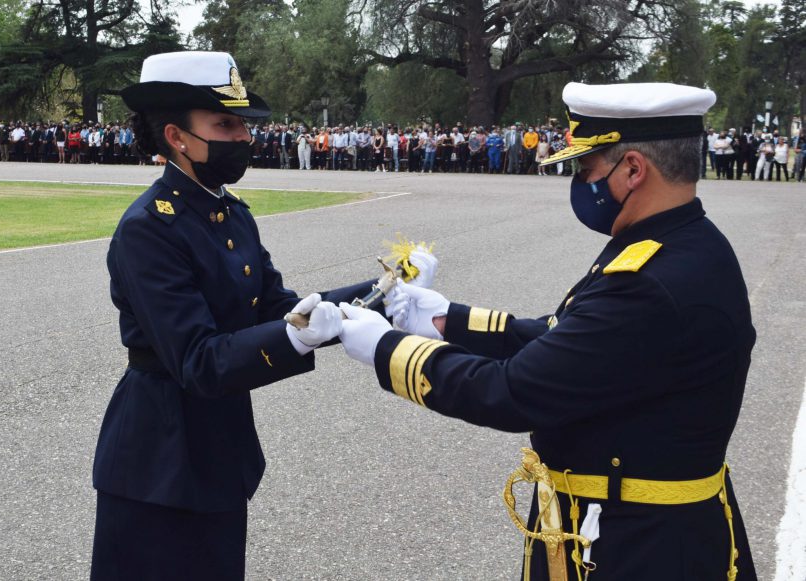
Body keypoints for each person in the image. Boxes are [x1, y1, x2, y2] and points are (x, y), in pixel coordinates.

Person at [337, 82, 757, 581]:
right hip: (653, 528)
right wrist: (448, 318)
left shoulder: (649, 280)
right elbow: (569, 340)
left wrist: (388, 349)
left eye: (586, 169)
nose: (580, 182)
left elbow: (514, 392)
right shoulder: (682, 242)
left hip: (636, 545)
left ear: (633, 169)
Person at [90, 51, 438, 580]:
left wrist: (385, 291)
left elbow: (281, 308)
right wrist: (294, 338)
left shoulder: (229, 213)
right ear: (177, 138)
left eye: (242, 124)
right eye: (224, 124)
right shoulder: (150, 228)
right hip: (158, 456)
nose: (242, 137)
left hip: (218, 444)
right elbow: (197, 359)